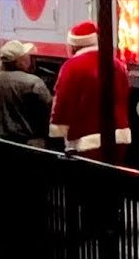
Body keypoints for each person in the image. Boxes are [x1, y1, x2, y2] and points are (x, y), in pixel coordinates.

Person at [49, 21, 132, 162]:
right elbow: (125, 95)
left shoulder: (71, 67)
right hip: (119, 136)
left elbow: (63, 102)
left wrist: (58, 129)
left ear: (74, 45)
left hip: (86, 140)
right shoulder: (117, 64)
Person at [0, 40, 52, 146]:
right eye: (27, 56)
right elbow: (47, 109)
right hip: (26, 143)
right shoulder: (33, 83)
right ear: (20, 62)